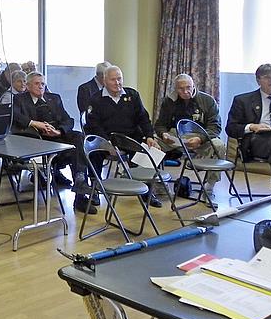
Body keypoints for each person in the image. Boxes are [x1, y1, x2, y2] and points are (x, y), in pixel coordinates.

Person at [13, 72, 92, 213]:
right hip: (38, 140)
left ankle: (80, 183)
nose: (40, 87)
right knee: (76, 153)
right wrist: (35, 124)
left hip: (57, 135)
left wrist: (59, 131)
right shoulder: (20, 99)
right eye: (37, 84)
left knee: (79, 138)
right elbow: (16, 117)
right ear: (28, 86)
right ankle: (80, 192)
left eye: (43, 84)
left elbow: (68, 120)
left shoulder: (54, 98)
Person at [85, 65, 162, 208]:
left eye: (119, 79)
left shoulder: (132, 95)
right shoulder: (96, 99)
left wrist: (149, 136)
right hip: (106, 139)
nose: (117, 83)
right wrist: (107, 143)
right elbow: (93, 125)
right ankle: (95, 187)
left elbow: (143, 118)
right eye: (113, 80)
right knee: (94, 152)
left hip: (130, 138)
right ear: (104, 81)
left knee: (148, 150)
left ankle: (146, 189)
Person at [154, 73, 225, 197]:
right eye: (181, 89)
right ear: (175, 89)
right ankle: (159, 183)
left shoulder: (207, 100)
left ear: (193, 86)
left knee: (219, 145)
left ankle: (209, 186)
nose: (186, 91)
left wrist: (200, 138)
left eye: (188, 87)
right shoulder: (169, 101)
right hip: (175, 136)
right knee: (152, 143)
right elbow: (160, 124)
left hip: (201, 136)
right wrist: (163, 134)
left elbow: (215, 127)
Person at [226, 63, 271, 193]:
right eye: (267, 77)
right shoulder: (243, 100)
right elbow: (231, 128)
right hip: (257, 142)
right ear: (258, 81)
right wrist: (252, 126)